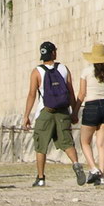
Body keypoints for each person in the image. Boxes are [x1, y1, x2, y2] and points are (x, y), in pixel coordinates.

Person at [21, 41, 87, 187]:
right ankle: (76, 164)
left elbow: (32, 94)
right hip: (63, 112)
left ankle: (40, 177)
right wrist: (74, 112)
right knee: (67, 142)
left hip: (45, 111)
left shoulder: (37, 71)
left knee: (41, 145)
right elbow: (70, 92)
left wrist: (26, 115)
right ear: (54, 53)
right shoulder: (63, 69)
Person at [76, 44, 104, 186]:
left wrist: (75, 111)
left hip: (91, 106)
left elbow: (81, 94)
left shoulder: (86, 72)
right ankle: (102, 176)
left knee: (85, 141)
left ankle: (93, 169)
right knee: (102, 144)